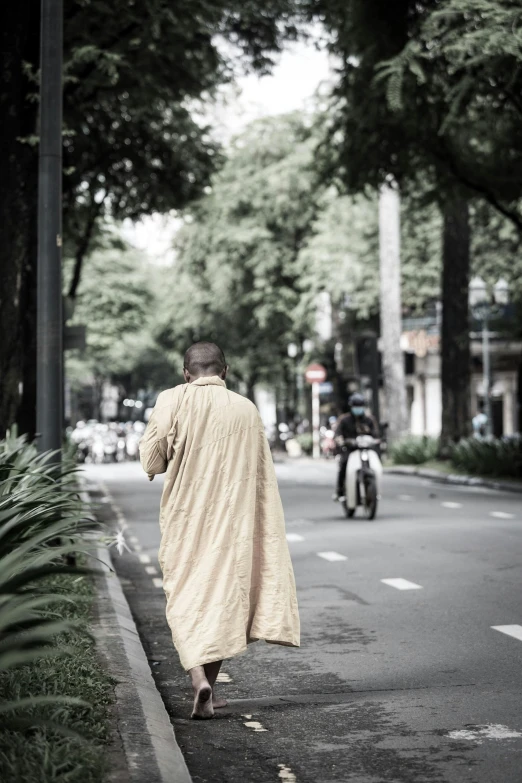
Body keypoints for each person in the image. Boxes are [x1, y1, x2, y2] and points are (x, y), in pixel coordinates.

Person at [139, 342, 300, 719]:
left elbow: (151, 460)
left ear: (186, 373)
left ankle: (198, 680)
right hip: (234, 521)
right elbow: (262, 476)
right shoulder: (246, 408)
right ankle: (208, 686)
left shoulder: (172, 400)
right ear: (224, 373)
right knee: (225, 597)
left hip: (185, 522)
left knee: (186, 596)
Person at [333, 392, 378, 501]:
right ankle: (340, 491)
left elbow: (375, 434)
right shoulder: (344, 420)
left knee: (375, 464)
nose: (358, 409)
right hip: (350, 450)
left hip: (366, 449)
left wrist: (377, 440)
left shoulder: (369, 420)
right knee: (344, 464)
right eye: (356, 406)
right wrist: (341, 440)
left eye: (360, 406)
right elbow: (338, 434)